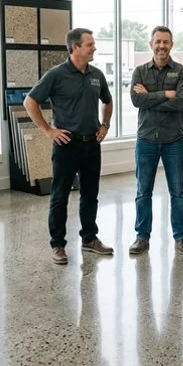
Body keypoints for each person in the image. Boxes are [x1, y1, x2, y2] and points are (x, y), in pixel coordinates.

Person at [25, 28, 114, 265]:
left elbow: (108, 100)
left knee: (90, 194)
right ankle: (58, 245)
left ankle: (89, 238)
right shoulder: (56, 75)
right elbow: (30, 101)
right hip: (66, 145)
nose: (94, 48)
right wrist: (48, 130)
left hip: (91, 143)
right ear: (75, 48)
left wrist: (104, 125)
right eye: (90, 44)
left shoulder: (96, 74)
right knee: (60, 196)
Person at [128, 26, 183, 256]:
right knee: (143, 191)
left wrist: (150, 97)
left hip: (173, 139)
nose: (161, 46)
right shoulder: (139, 71)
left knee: (178, 191)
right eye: (158, 42)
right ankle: (142, 237)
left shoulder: (182, 72)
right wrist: (165, 94)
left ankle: (181, 238)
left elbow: (181, 102)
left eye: (166, 42)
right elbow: (136, 100)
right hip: (146, 140)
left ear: (171, 45)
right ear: (150, 44)